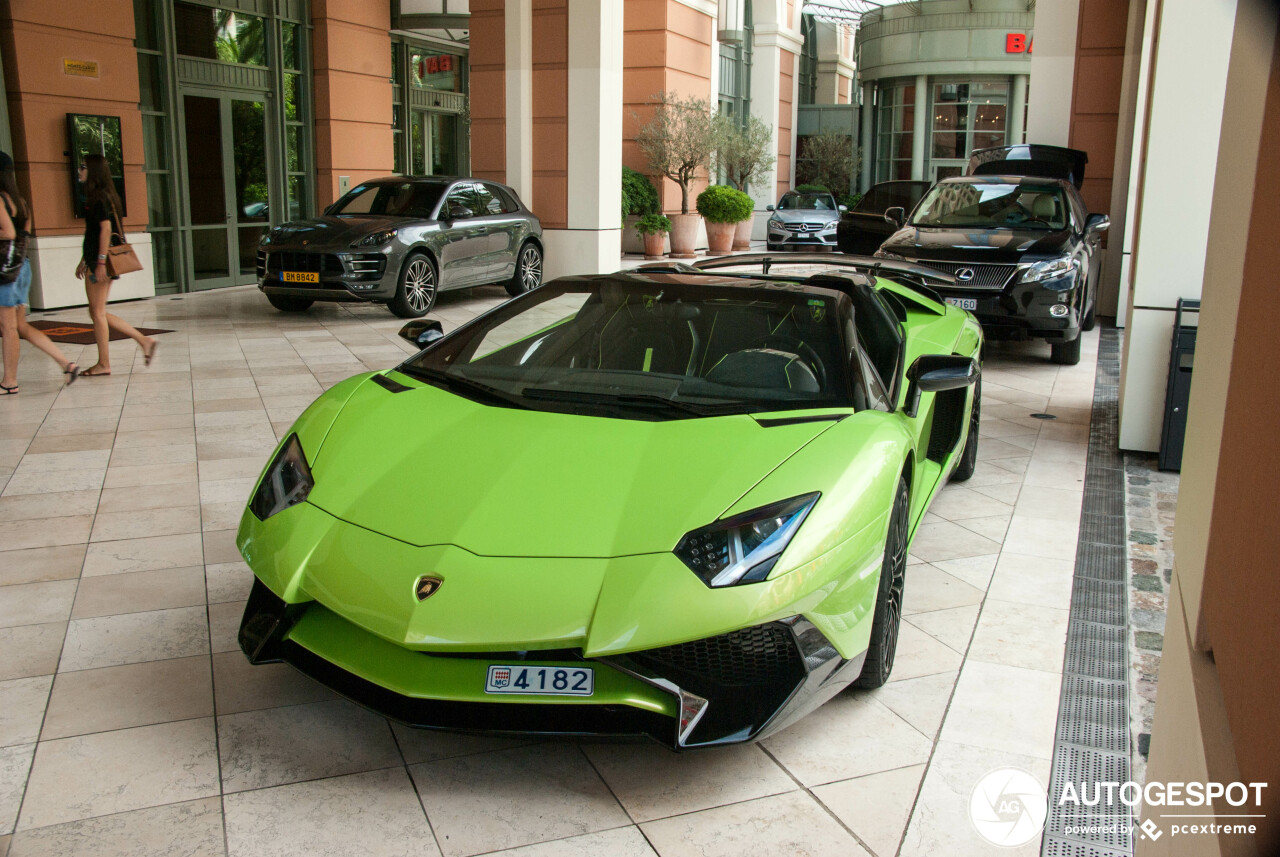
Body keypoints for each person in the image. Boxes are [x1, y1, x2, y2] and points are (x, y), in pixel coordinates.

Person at [0, 151, 78, 394]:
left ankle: (9, 382)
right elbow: (24, 234)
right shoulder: (21, 201)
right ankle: (67, 364)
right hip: (23, 268)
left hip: (5, 273)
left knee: (7, 328)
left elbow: (8, 233)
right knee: (20, 326)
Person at [76, 154, 156, 376]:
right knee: (97, 311)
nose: (79, 171)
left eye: (82, 167)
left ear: (93, 171)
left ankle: (105, 363)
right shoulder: (106, 196)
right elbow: (94, 234)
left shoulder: (99, 198)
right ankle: (142, 340)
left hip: (101, 261)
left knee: (97, 312)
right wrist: (85, 259)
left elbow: (104, 230)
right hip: (96, 259)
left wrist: (99, 262)